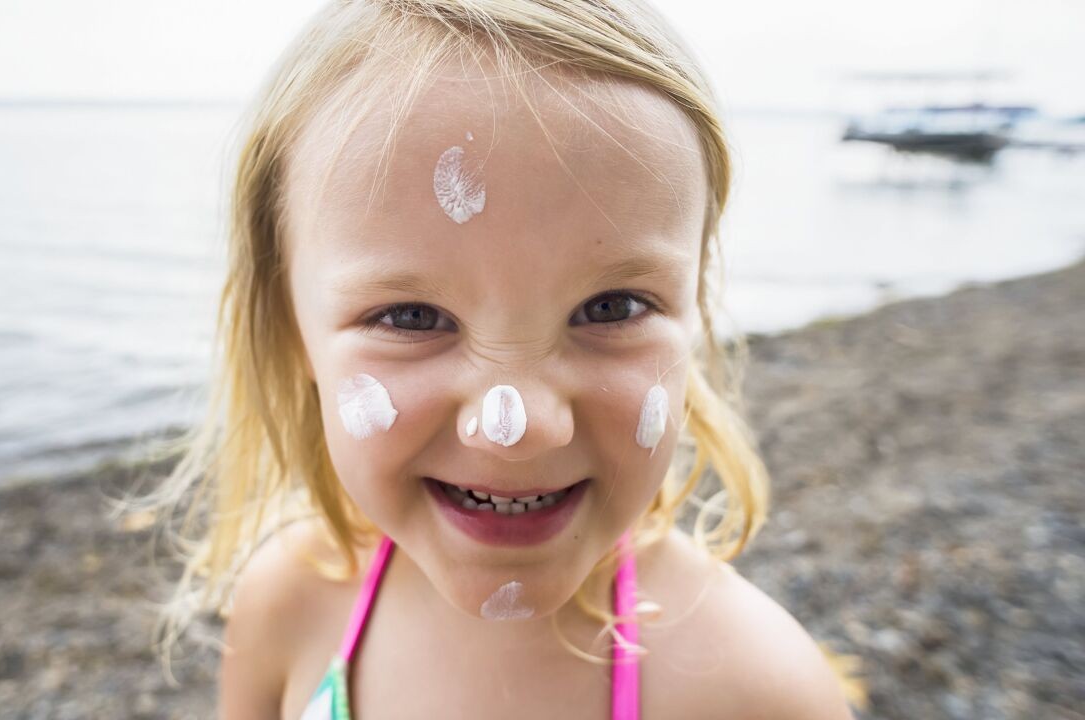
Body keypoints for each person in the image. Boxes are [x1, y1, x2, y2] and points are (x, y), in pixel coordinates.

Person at [129, 1, 863, 717]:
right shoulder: (287, 603)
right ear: (294, 335)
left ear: (693, 314)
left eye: (611, 308)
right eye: (412, 318)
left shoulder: (753, 688)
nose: (518, 425)